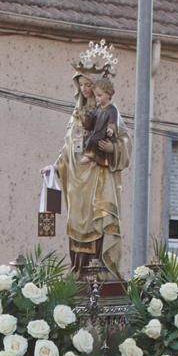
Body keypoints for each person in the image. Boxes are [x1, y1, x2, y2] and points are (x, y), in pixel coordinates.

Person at [53, 63, 130, 274]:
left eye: (89, 84)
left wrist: (112, 147)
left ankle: (99, 270)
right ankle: (78, 268)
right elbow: (67, 147)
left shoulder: (110, 112)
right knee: (77, 224)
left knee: (100, 219)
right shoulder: (76, 114)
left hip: (99, 177)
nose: (85, 89)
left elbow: (124, 143)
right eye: (82, 85)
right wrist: (56, 167)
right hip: (77, 183)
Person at [77, 77, 120, 168]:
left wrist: (111, 129)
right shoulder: (98, 108)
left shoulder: (112, 109)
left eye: (99, 96)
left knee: (94, 138)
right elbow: (91, 119)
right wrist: (83, 117)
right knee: (89, 138)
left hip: (105, 135)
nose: (97, 98)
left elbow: (113, 122)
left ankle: (91, 157)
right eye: (96, 95)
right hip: (98, 133)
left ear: (108, 95)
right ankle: (94, 159)